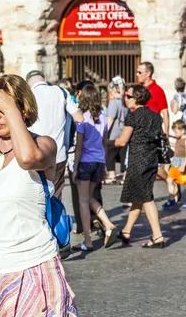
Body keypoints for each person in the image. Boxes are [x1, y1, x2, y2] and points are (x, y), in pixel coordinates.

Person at [0, 74, 78, 316]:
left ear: (22, 108)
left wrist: (11, 110)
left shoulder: (44, 145)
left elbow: (27, 159)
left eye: (2, 107)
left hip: (33, 267)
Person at [113, 84, 165, 248]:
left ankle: (157, 236)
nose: (125, 99)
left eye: (128, 96)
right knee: (139, 196)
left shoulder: (134, 117)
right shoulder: (156, 116)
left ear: (136, 99)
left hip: (138, 160)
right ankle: (127, 231)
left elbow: (122, 141)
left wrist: (105, 142)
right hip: (151, 159)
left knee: (146, 198)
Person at [72, 84, 118, 251]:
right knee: (90, 198)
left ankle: (88, 240)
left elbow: (79, 146)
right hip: (98, 161)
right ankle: (108, 223)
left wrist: (75, 167)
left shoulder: (82, 119)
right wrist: (104, 164)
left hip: (85, 162)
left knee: (83, 201)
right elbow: (104, 142)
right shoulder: (103, 117)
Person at [26, 70, 83, 199]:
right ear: (45, 79)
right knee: (55, 196)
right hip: (58, 154)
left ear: (28, 84)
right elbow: (79, 118)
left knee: (35, 197)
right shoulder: (61, 92)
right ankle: (55, 219)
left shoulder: (28, 96)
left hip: (34, 153)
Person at [162, 120, 186, 209]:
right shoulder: (178, 139)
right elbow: (176, 146)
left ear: (183, 130)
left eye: (176, 132)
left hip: (182, 163)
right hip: (175, 163)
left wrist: (183, 165)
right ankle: (172, 200)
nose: (175, 134)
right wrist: (168, 143)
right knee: (169, 180)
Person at [170, 78, 186, 179]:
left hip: (180, 125)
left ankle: (176, 168)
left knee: (178, 147)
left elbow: (175, 110)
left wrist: (172, 104)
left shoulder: (177, 96)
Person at [106, 79, 129, 185]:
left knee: (110, 154)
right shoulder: (125, 103)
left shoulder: (113, 103)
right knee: (123, 154)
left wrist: (105, 131)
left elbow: (110, 118)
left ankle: (111, 175)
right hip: (124, 132)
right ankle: (125, 175)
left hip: (114, 133)